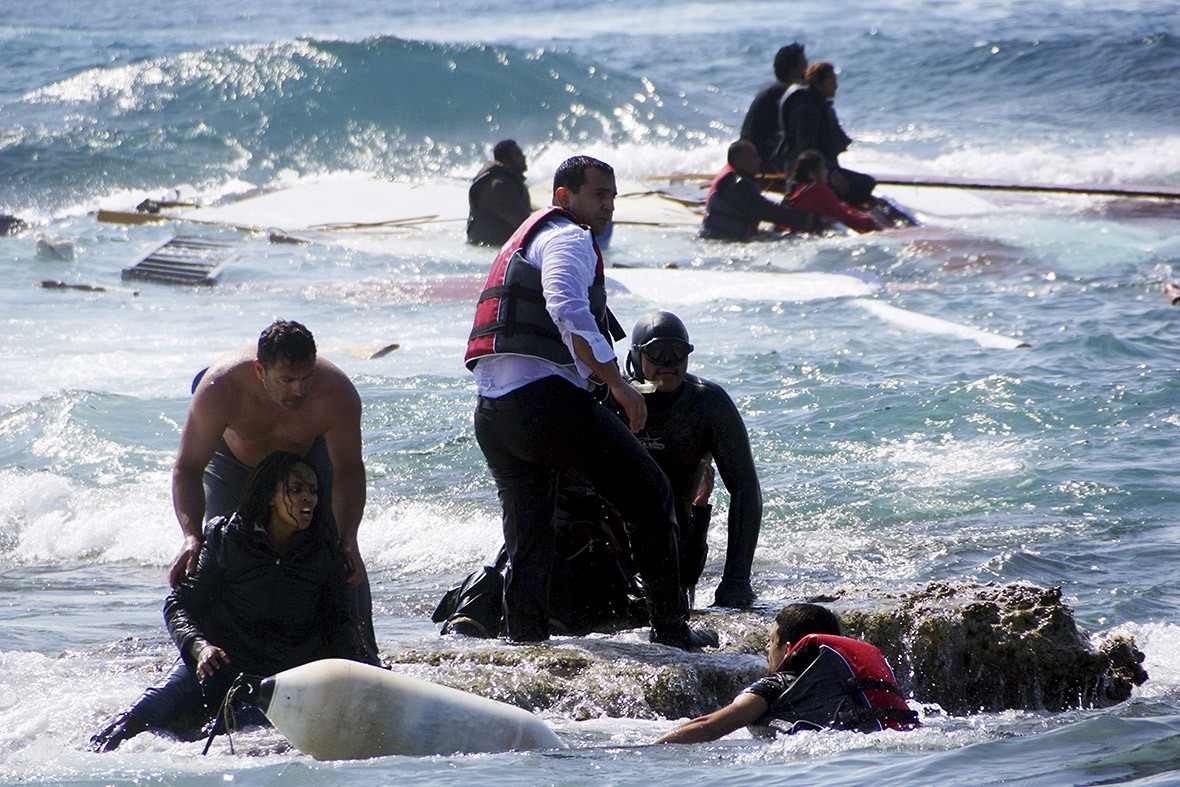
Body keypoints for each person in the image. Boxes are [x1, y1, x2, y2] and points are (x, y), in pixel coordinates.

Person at [464, 155, 714, 650]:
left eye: (613, 197)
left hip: (494, 413)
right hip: (543, 405)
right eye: (599, 195)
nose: (608, 206)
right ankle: (671, 630)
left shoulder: (529, 238)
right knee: (652, 495)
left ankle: (526, 642)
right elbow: (566, 305)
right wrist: (616, 383)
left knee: (530, 536)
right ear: (564, 198)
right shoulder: (568, 236)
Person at [435, 311, 763, 636]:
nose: (669, 362)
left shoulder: (707, 404)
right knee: (540, 537)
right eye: (657, 351)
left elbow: (745, 489)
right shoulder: (608, 400)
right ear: (635, 357)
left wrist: (736, 581)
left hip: (669, 554)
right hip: (601, 547)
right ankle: (474, 613)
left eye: (679, 352)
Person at [91, 452, 379, 752]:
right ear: (270, 496)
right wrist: (200, 648)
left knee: (234, 738)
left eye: (313, 490)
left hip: (277, 680)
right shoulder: (226, 538)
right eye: (296, 489)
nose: (308, 498)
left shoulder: (323, 553)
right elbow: (178, 605)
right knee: (131, 724)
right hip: (214, 667)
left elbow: (338, 625)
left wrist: (359, 679)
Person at [169, 319, 377, 659]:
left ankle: (363, 657)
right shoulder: (220, 388)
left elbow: (349, 470)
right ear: (259, 370)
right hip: (235, 466)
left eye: (306, 377)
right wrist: (190, 535)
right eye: (287, 380)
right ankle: (205, 660)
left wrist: (348, 536)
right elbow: (188, 467)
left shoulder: (336, 393)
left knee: (340, 558)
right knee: (215, 555)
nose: (299, 390)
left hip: (306, 460)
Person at [655, 603, 919, 744]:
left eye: (772, 640)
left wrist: (650, 752)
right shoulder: (854, 683)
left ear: (789, 649)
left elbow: (711, 726)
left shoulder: (780, 682)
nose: (766, 647)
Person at [778, 62, 877, 206]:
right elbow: (806, 150)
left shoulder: (818, 103)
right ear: (819, 83)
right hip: (810, 173)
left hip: (824, 168)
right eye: (832, 82)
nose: (836, 86)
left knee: (867, 183)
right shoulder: (807, 109)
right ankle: (845, 208)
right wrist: (831, 173)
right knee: (864, 184)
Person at [700, 140, 816, 240]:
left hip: (724, 237)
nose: (759, 160)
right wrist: (810, 220)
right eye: (754, 157)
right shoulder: (738, 186)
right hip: (723, 240)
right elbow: (769, 211)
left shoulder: (738, 181)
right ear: (739, 161)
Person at [739, 43, 808, 171]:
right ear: (793, 71)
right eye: (805, 66)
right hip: (762, 160)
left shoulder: (773, 89)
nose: (808, 71)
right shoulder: (788, 93)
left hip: (750, 155)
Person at [786, 150, 882, 233]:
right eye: (823, 168)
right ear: (812, 175)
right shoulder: (819, 190)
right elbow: (846, 218)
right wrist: (871, 223)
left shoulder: (799, 188)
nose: (826, 172)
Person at [466, 139, 533, 247]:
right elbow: (524, 224)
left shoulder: (506, 181)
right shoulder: (499, 186)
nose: (524, 157)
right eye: (518, 155)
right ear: (506, 160)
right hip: (488, 248)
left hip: (492, 246)